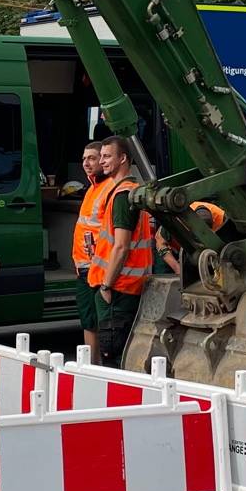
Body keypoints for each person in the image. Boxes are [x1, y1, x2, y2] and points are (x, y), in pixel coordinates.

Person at [88, 136, 154, 365]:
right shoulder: (128, 191)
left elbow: (121, 246)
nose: (102, 162)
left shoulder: (122, 195)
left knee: (113, 355)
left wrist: (106, 285)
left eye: (107, 156)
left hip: (118, 288)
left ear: (123, 158)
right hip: (123, 286)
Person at [71, 142, 113, 357]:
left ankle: (97, 370)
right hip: (85, 267)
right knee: (89, 321)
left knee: (99, 322)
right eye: (84, 158)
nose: (86, 163)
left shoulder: (107, 188)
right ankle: (90, 368)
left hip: (98, 268)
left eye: (92, 158)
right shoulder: (92, 187)